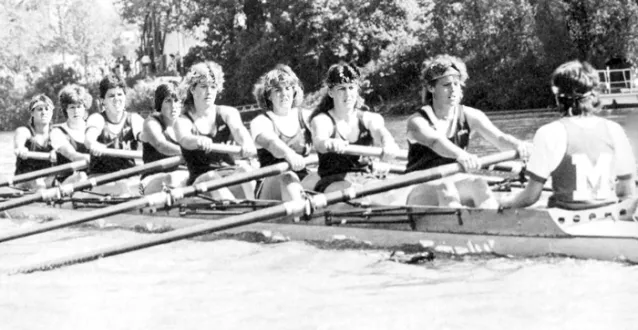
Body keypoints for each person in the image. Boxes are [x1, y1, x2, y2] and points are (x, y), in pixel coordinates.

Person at [499, 60, 635, 209]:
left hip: (566, 221)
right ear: (594, 94)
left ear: (559, 98)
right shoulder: (614, 129)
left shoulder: (548, 132)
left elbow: (530, 197)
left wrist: (504, 202)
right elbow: (627, 191)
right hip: (607, 217)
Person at [405, 54, 531, 208]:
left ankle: (493, 225)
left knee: (479, 183)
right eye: (446, 85)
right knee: (445, 188)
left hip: (454, 183)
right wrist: (461, 155)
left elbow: (499, 139)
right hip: (417, 187)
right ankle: (457, 226)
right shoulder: (417, 122)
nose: (453, 90)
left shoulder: (471, 115)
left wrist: (518, 145)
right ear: (431, 88)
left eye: (456, 84)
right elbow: (436, 142)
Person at [309, 62, 402, 204]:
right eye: (341, 89)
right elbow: (319, 142)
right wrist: (329, 142)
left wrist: (388, 144)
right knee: (356, 198)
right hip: (333, 180)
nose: (348, 94)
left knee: (392, 197)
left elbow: (381, 133)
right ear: (330, 92)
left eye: (351, 88)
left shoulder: (369, 118)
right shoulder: (322, 120)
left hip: (365, 177)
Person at [174, 61, 257, 199]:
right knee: (211, 177)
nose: (209, 92)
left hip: (228, 175)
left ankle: (254, 207)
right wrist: (198, 140)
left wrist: (247, 144)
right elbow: (185, 140)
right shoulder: (182, 121)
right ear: (192, 89)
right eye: (204, 86)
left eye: (213, 87)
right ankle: (234, 211)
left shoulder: (227, 112)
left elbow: (239, 130)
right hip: (201, 183)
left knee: (245, 169)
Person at [250, 64, 313, 202]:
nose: (284, 94)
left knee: (319, 179)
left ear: (294, 91)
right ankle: (300, 217)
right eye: (277, 90)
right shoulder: (260, 122)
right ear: (269, 96)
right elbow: (272, 144)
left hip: (301, 179)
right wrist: (289, 154)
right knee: (288, 177)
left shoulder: (307, 117)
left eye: (288, 88)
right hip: (272, 183)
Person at [85, 74, 144, 196]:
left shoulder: (135, 119)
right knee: (122, 187)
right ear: (102, 101)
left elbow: (144, 135)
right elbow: (89, 139)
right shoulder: (97, 119)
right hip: (101, 178)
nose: (117, 99)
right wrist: (94, 144)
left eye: (120, 94)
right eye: (111, 96)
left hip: (129, 178)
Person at [138, 82, 189, 194]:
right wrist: (188, 152)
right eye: (168, 101)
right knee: (172, 178)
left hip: (181, 177)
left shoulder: (186, 124)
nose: (173, 106)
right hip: (151, 180)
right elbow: (160, 145)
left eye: (176, 101)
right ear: (159, 104)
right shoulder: (151, 123)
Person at [50, 84, 92, 185]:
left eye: (79, 107)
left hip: (92, 177)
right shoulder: (57, 132)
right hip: (67, 182)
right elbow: (72, 156)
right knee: (81, 176)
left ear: (84, 108)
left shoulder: (93, 128)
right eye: (72, 107)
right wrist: (97, 160)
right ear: (65, 109)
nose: (76, 111)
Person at [13, 94, 56, 189]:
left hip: (48, 180)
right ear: (32, 113)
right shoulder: (24, 131)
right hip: (25, 181)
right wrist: (21, 149)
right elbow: (19, 144)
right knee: (38, 183)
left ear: (52, 112)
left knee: (78, 177)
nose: (44, 112)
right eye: (40, 109)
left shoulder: (58, 134)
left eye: (47, 109)